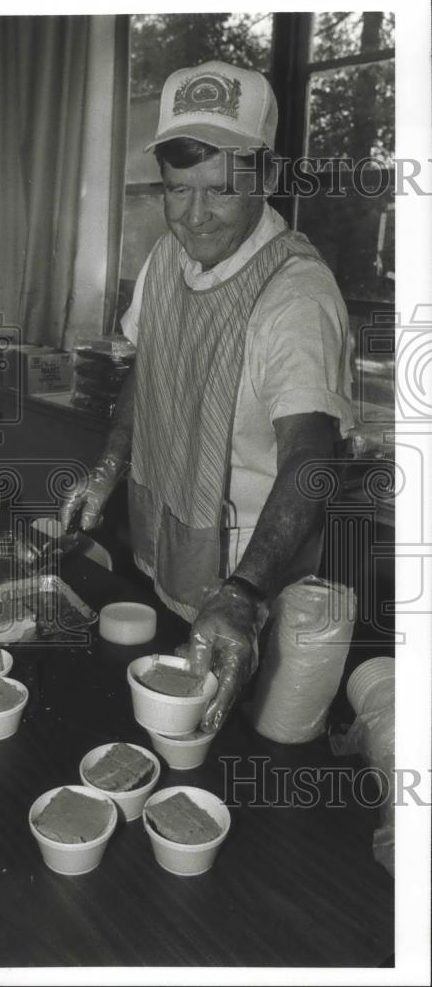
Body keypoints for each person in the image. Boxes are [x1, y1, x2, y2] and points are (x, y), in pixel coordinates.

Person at [61, 60, 354, 733]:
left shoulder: (295, 297)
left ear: (268, 178)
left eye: (220, 191)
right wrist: (109, 464)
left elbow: (313, 458)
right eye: (175, 190)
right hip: (167, 554)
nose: (194, 217)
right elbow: (151, 362)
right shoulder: (168, 258)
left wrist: (245, 596)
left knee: (241, 747)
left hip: (252, 586)